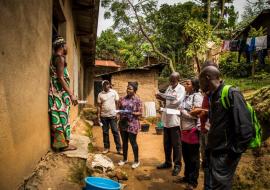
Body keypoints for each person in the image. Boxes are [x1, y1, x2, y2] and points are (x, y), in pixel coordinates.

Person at [199, 66, 254, 190]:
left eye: (201, 80)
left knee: (221, 186)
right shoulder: (213, 95)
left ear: (207, 78)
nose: (200, 84)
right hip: (216, 151)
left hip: (225, 154)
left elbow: (245, 127)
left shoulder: (231, 93)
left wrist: (234, 152)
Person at [48, 36, 78, 151]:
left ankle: (61, 144)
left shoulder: (55, 58)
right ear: (62, 46)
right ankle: (64, 145)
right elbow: (60, 78)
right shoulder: (60, 58)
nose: (67, 48)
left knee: (60, 118)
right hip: (59, 94)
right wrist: (71, 94)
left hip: (57, 93)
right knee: (62, 118)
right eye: (66, 45)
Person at [156, 72, 185, 176]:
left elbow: (176, 102)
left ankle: (177, 165)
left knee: (176, 144)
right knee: (167, 143)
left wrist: (165, 97)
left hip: (175, 120)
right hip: (166, 119)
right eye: (170, 80)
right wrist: (160, 97)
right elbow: (167, 101)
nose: (171, 82)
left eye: (173, 80)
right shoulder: (169, 87)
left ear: (178, 79)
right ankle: (168, 162)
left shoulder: (181, 89)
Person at [178, 78, 203, 190]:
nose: (185, 85)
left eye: (187, 83)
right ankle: (187, 177)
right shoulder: (186, 95)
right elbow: (184, 110)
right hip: (184, 130)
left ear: (194, 86)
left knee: (193, 158)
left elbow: (197, 115)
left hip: (193, 130)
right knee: (186, 156)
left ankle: (193, 182)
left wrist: (182, 112)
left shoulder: (197, 96)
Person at [118, 82, 142, 169]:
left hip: (133, 123)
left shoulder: (137, 100)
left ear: (135, 90)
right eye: (127, 88)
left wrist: (132, 113)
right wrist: (119, 113)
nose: (128, 90)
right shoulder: (122, 99)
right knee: (124, 142)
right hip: (123, 123)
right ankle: (124, 159)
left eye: (130, 89)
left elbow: (140, 113)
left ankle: (136, 161)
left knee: (133, 142)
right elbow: (119, 108)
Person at [97, 80, 122, 154]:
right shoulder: (100, 94)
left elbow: (117, 103)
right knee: (105, 132)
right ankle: (106, 147)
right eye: (105, 85)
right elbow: (99, 106)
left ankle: (119, 149)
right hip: (103, 116)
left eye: (108, 84)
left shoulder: (114, 92)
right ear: (103, 86)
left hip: (112, 116)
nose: (106, 86)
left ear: (109, 85)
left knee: (115, 131)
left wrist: (117, 113)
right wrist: (98, 116)